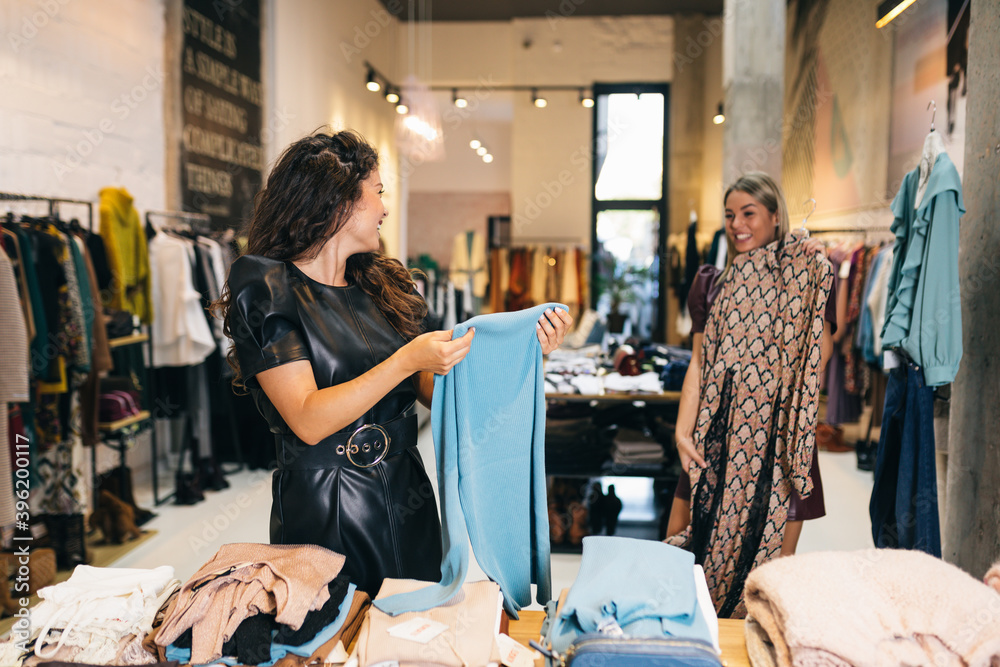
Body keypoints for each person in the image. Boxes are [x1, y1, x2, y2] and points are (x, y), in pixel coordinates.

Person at [217, 130, 572, 597]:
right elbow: (306, 417)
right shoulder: (265, 284)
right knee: (335, 640)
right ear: (338, 199)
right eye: (378, 193)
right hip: (325, 505)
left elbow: (436, 387)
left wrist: (522, 352)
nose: (385, 208)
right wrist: (406, 359)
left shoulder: (381, 285)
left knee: (412, 634)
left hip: (407, 493)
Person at [665, 173, 835, 608]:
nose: (737, 224)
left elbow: (820, 353)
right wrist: (683, 433)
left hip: (780, 443)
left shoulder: (810, 275)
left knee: (768, 583)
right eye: (729, 215)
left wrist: (810, 273)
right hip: (716, 435)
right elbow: (700, 364)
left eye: (749, 213)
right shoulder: (711, 283)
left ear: (776, 218)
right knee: (680, 559)